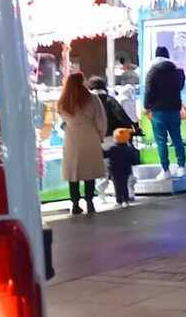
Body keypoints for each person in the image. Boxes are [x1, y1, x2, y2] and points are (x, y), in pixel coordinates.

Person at [57, 72, 108, 215]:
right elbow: (100, 119)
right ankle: (90, 202)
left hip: (71, 136)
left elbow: (61, 119)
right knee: (89, 171)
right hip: (89, 135)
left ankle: (75, 204)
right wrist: (100, 135)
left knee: (73, 172)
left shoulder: (63, 101)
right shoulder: (92, 98)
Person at [143, 45, 186, 180]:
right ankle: (181, 167)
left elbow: (149, 91)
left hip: (158, 111)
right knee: (177, 138)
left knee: (161, 141)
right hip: (174, 109)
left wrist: (147, 106)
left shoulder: (152, 72)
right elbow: (180, 87)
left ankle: (165, 169)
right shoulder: (178, 72)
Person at [103, 128, 140, 208]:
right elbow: (134, 161)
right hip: (126, 170)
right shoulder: (129, 149)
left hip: (115, 171)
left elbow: (104, 155)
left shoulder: (113, 149)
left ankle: (119, 201)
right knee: (124, 185)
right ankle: (126, 200)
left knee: (117, 186)